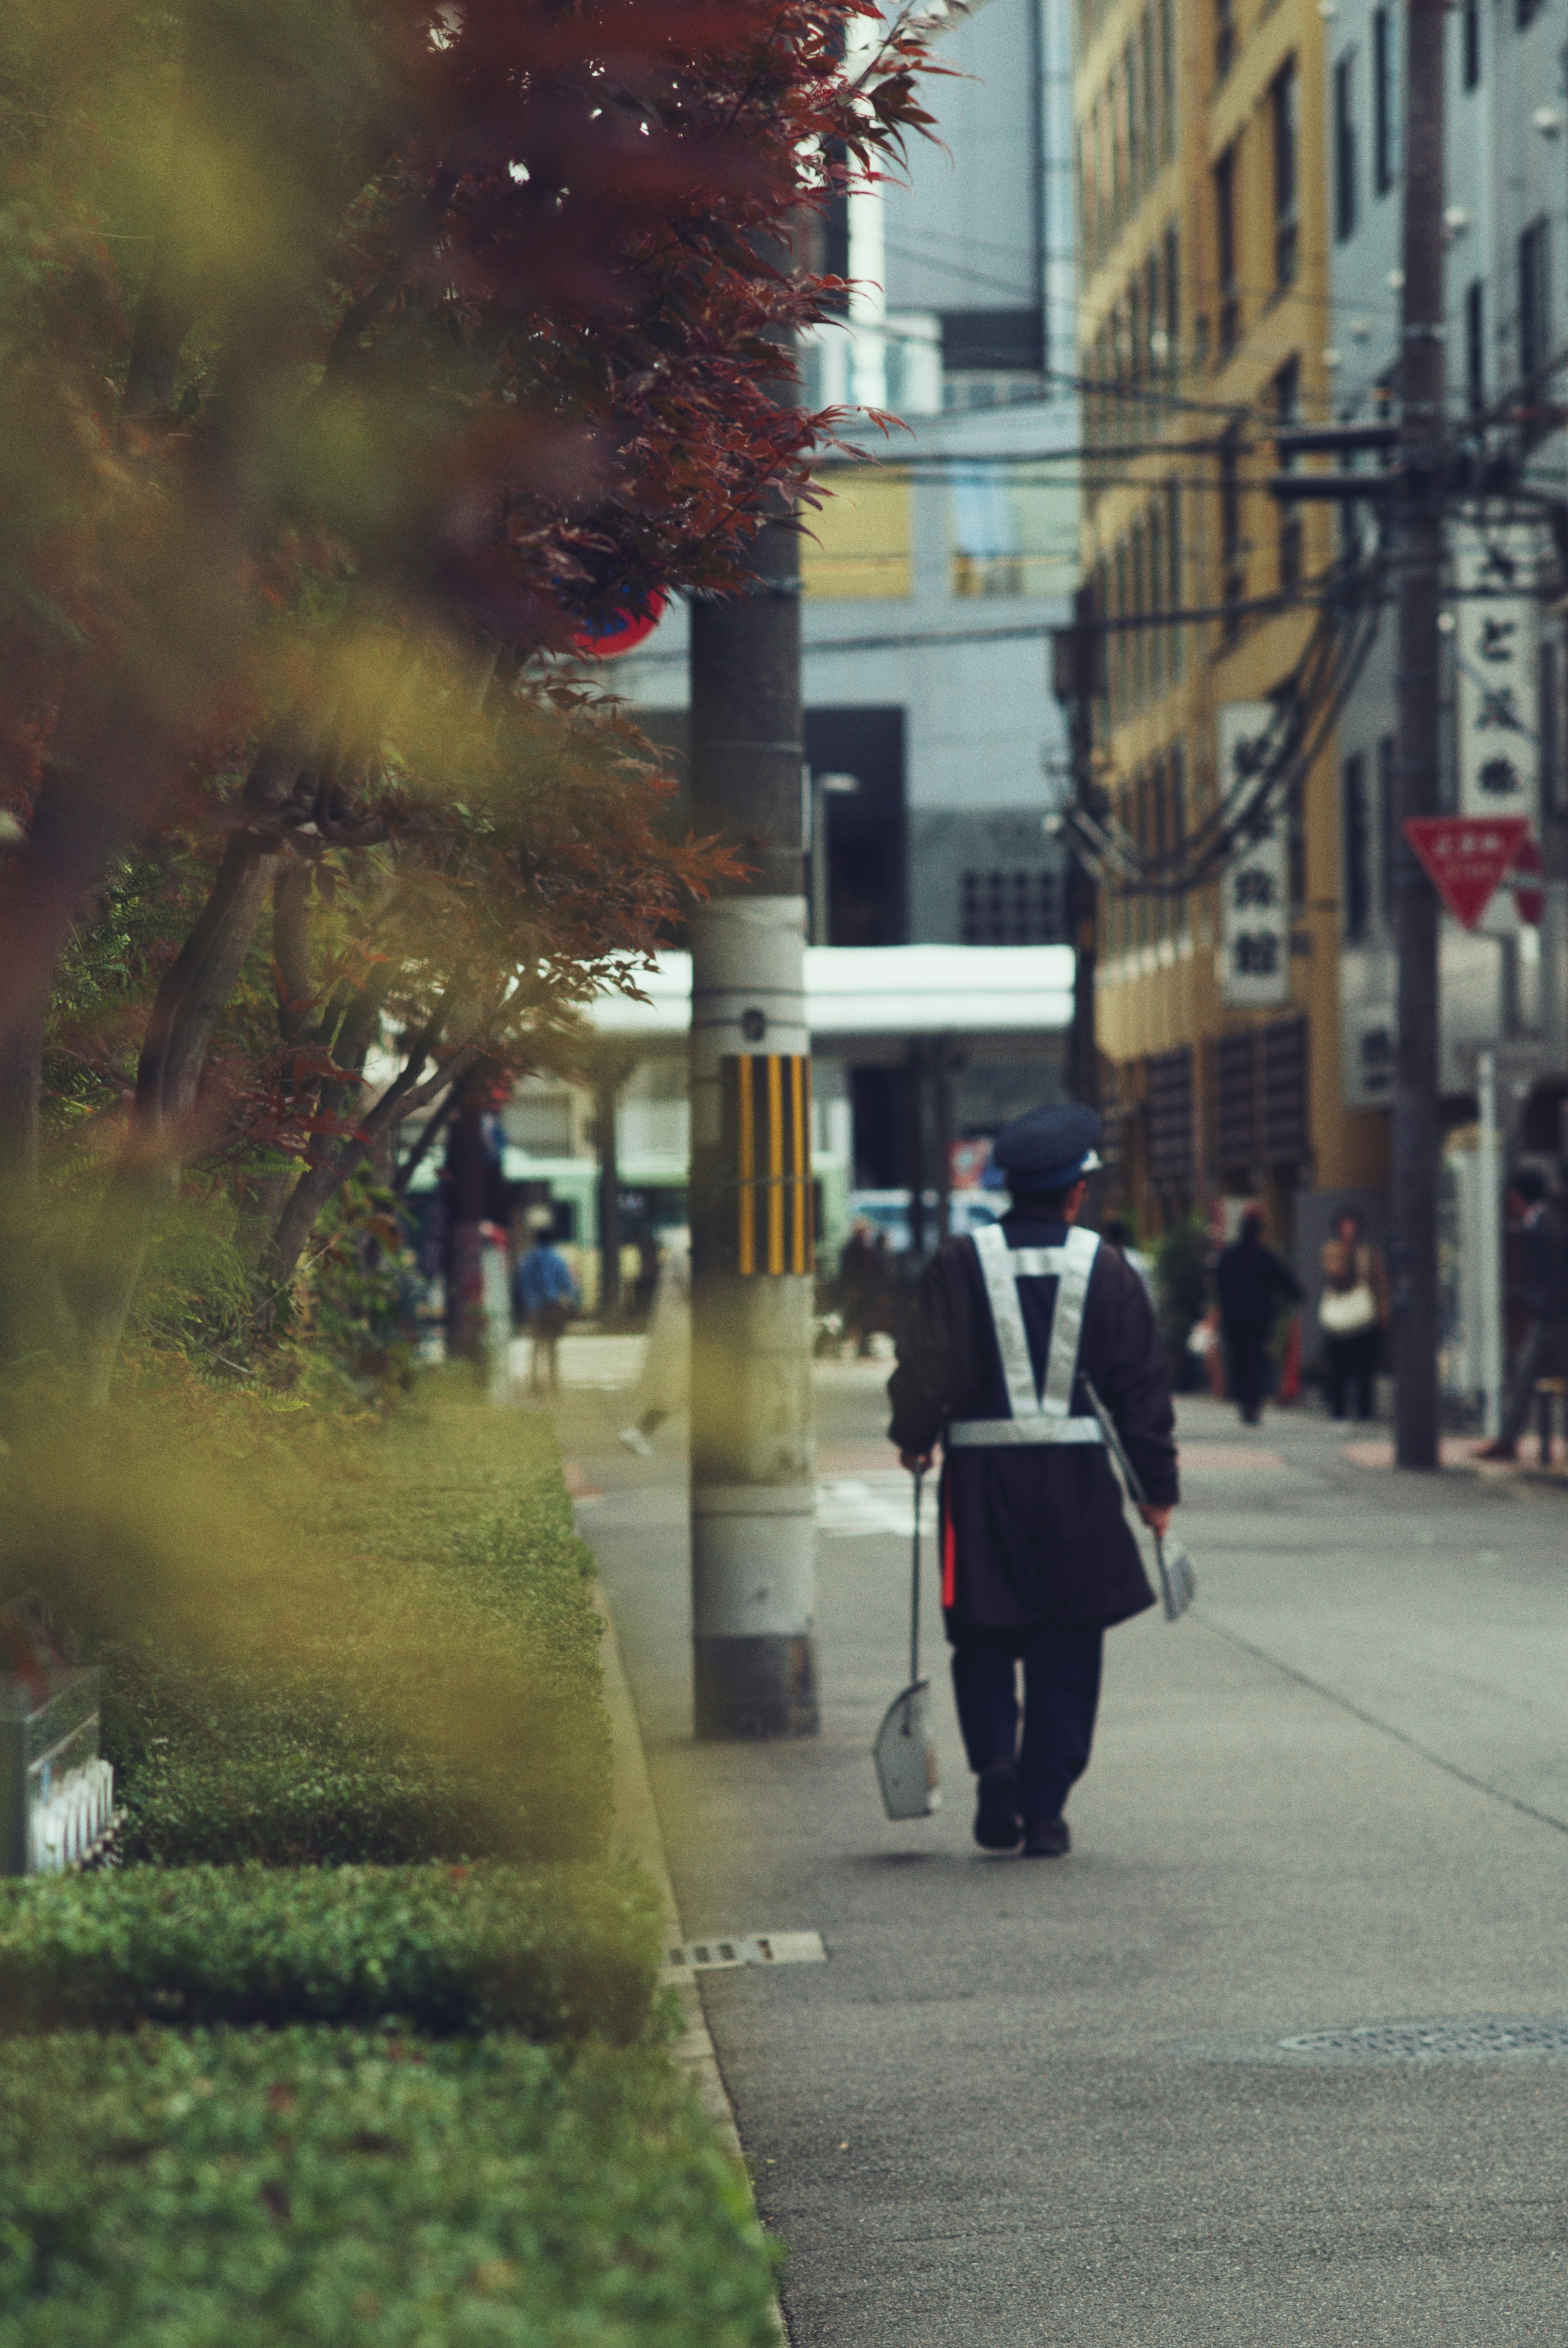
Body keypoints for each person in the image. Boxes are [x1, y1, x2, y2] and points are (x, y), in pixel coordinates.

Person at [887, 1103, 1178, 1860]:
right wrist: (1156, 1486)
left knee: (983, 1635)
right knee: (1068, 1644)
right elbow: (1141, 1389)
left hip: (981, 1484)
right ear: (1078, 1191)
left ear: (1012, 1187)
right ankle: (1046, 1809)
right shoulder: (1107, 1268)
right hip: (1077, 1484)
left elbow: (925, 1364)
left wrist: (915, 1437)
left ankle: (997, 1767)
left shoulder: (959, 1261)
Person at [1473, 1168, 1568, 1462]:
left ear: (1516, 1196)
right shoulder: (1539, 1222)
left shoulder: (1547, 1224)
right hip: (1548, 1318)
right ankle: (1507, 1440)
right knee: (1524, 1376)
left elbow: (1559, 1272)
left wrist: (1546, 1305)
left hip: (1558, 1318)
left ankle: (1508, 1440)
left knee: (1535, 1377)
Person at [1214, 1207, 1301, 1425]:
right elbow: (1287, 1283)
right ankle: (1253, 1403)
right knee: (1255, 1360)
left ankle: (1244, 1401)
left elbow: (1219, 1285)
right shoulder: (1265, 1257)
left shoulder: (1229, 1256)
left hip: (1234, 1319)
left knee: (1239, 1359)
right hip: (1259, 1318)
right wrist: (1293, 1297)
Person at [619, 1226, 690, 1456]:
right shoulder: (687, 1251)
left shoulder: (682, 1250)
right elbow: (694, 1287)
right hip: (683, 1332)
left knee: (677, 1389)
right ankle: (640, 1432)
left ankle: (641, 1432)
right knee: (675, 1389)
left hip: (680, 1330)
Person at [1317, 1209, 1389, 1421]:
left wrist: (1384, 1312)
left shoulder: (1368, 1253)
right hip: (1340, 1320)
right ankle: (1338, 1410)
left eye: (1353, 1226)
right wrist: (1347, 1253)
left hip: (1364, 1317)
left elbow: (1380, 1283)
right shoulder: (1332, 1250)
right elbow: (1338, 1276)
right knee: (1338, 1368)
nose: (1350, 1230)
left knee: (1366, 1368)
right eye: (1345, 1226)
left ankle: (1365, 1411)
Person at [512, 1218, 579, 1396]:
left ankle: (535, 1385)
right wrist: (572, 1306)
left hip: (536, 1309)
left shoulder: (528, 1260)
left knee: (536, 1346)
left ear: (536, 1239)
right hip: (555, 1308)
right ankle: (554, 1384)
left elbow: (523, 1286)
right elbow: (568, 1285)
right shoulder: (558, 1260)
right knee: (552, 1347)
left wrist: (529, 1308)